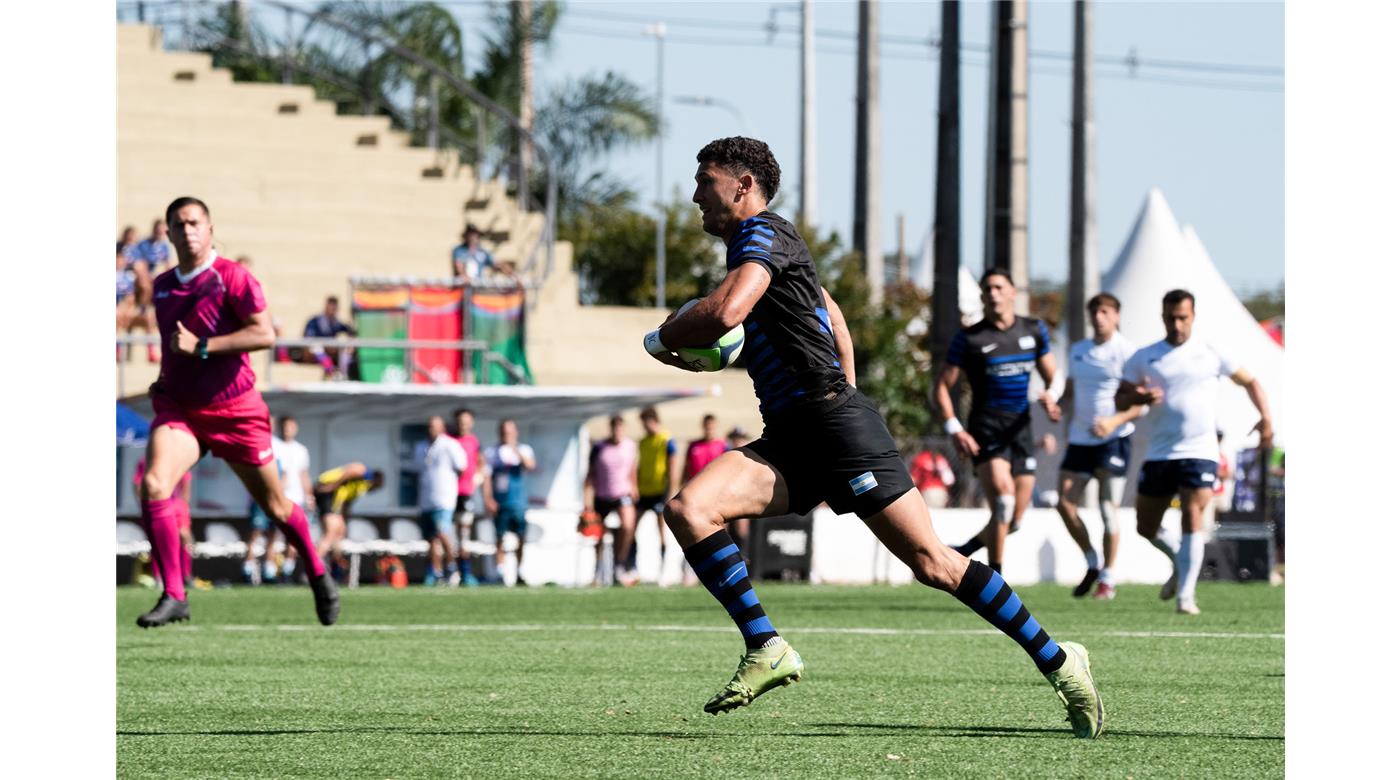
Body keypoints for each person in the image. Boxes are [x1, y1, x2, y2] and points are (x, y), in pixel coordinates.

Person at [640, 137, 1102, 737]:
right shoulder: (760, 250)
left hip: (837, 430)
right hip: (792, 435)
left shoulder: (764, 234)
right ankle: (766, 646)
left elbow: (725, 314)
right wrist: (846, 386)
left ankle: (1060, 662)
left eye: (706, 181)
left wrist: (665, 335)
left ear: (743, 186)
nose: (696, 194)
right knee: (689, 509)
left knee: (934, 563)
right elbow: (832, 314)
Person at [136, 196, 337, 628]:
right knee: (154, 484)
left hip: (236, 412)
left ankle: (318, 572)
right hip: (183, 410)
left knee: (277, 507)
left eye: (195, 222)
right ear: (168, 233)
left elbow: (264, 334)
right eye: (179, 224)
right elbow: (175, 346)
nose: (188, 230)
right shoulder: (164, 286)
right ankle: (174, 594)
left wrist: (203, 347)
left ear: (210, 229)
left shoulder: (233, 277)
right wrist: (167, 376)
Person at [1116, 288, 1273, 615]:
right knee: (1145, 526)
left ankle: (1185, 597)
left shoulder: (1211, 352)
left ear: (1193, 317)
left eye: (1182, 318)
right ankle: (1179, 560)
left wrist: (1266, 418)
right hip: (1159, 453)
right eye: (1170, 318)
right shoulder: (1144, 357)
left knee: (1192, 516)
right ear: (1162, 317)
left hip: (1200, 451)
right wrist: (1139, 398)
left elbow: (1250, 381)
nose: (1176, 324)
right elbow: (1121, 397)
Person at [934, 268, 1062, 574]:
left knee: (1014, 521)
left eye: (999, 287)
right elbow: (941, 387)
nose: (993, 293)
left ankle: (965, 550)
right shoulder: (970, 338)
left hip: (1021, 429)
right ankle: (996, 579)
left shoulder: (1033, 330)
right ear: (982, 296)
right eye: (987, 289)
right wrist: (955, 429)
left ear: (1013, 292)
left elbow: (1053, 376)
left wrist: (1052, 396)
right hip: (986, 429)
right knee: (1003, 503)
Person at [1053, 293, 1144, 601]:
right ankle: (1092, 561)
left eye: (1105, 311)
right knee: (1064, 503)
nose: (1099, 317)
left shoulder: (1127, 353)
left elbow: (1139, 404)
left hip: (1113, 440)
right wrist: (1057, 407)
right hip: (1080, 439)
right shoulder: (1079, 350)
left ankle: (1108, 578)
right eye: (1094, 312)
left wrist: (1113, 421)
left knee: (1107, 509)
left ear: (1116, 315)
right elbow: (1069, 393)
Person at [245, 416, 312, 584]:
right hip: (271, 497)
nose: (288, 430)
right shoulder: (272, 444)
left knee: (287, 536)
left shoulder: (300, 450)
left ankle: (281, 571)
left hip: (293, 499)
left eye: (291, 427)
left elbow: (302, 474)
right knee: (261, 533)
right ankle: (251, 570)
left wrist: (309, 495)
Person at [584, 416, 641, 586]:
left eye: (620, 428)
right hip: (602, 494)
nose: (618, 432)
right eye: (615, 428)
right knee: (598, 534)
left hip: (623, 493)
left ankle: (619, 563)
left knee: (628, 526)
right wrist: (587, 501)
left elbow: (632, 468)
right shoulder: (599, 447)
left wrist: (634, 487)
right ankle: (597, 570)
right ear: (611, 429)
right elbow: (590, 474)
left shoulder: (630, 446)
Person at [482, 419, 536, 585]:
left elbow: (530, 466)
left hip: (518, 502)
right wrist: (488, 498)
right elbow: (486, 477)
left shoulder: (524, 449)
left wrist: (514, 449)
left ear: (515, 432)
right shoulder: (492, 452)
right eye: (504, 432)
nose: (507, 435)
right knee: (500, 538)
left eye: (510, 432)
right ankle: (500, 572)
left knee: (521, 537)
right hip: (500, 502)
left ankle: (519, 572)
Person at [417, 415, 468, 586]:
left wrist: (448, 484)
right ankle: (436, 572)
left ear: (442, 428)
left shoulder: (450, 444)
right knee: (431, 537)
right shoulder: (422, 446)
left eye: (434, 426)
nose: (431, 429)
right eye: (429, 426)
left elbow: (461, 467)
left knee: (442, 532)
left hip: (444, 498)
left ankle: (452, 567)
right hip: (426, 498)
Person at [313, 462, 385, 581]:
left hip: (333, 498)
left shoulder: (360, 487)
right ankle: (313, 567)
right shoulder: (362, 471)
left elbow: (347, 503)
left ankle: (335, 566)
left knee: (340, 532)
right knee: (329, 533)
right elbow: (350, 471)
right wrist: (332, 486)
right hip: (327, 491)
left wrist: (344, 519)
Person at [133, 457, 193, 593]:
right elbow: (138, 483)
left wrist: (184, 505)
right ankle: (159, 577)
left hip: (177, 505)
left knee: (184, 537)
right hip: (157, 505)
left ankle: (186, 575)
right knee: (159, 541)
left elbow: (186, 482)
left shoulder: (179, 458)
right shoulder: (145, 461)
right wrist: (144, 504)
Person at [634, 406, 680, 578]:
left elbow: (673, 467)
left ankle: (664, 568)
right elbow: (639, 466)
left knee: (661, 529)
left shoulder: (666, 440)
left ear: (654, 421)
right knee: (631, 527)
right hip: (644, 491)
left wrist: (670, 493)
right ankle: (631, 566)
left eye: (646, 423)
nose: (644, 427)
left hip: (660, 491)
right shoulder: (643, 442)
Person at [452, 408, 483, 585]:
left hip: (465, 495)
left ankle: (465, 572)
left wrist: (476, 481)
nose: (462, 425)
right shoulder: (449, 441)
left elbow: (481, 464)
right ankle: (450, 571)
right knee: (447, 534)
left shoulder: (473, 442)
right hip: (448, 495)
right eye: (460, 422)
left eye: (466, 422)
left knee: (464, 534)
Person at [302, 296, 356, 379]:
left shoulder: (336, 323)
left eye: (334, 308)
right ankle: (330, 371)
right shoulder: (315, 321)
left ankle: (343, 374)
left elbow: (350, 331)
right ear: (326, 307)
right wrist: (324, 345)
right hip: (316, 352)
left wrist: (351, 341)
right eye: (331, 307)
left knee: (345, 351)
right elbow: (308, 339)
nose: (332, 310)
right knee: (318, 350)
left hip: (331, 352)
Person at [908, 441, 957, 509]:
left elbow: (914, 479)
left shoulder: (921, 458)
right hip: (941, 492)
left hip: (927, 491)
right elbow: (950, 480)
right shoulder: (941, 459)